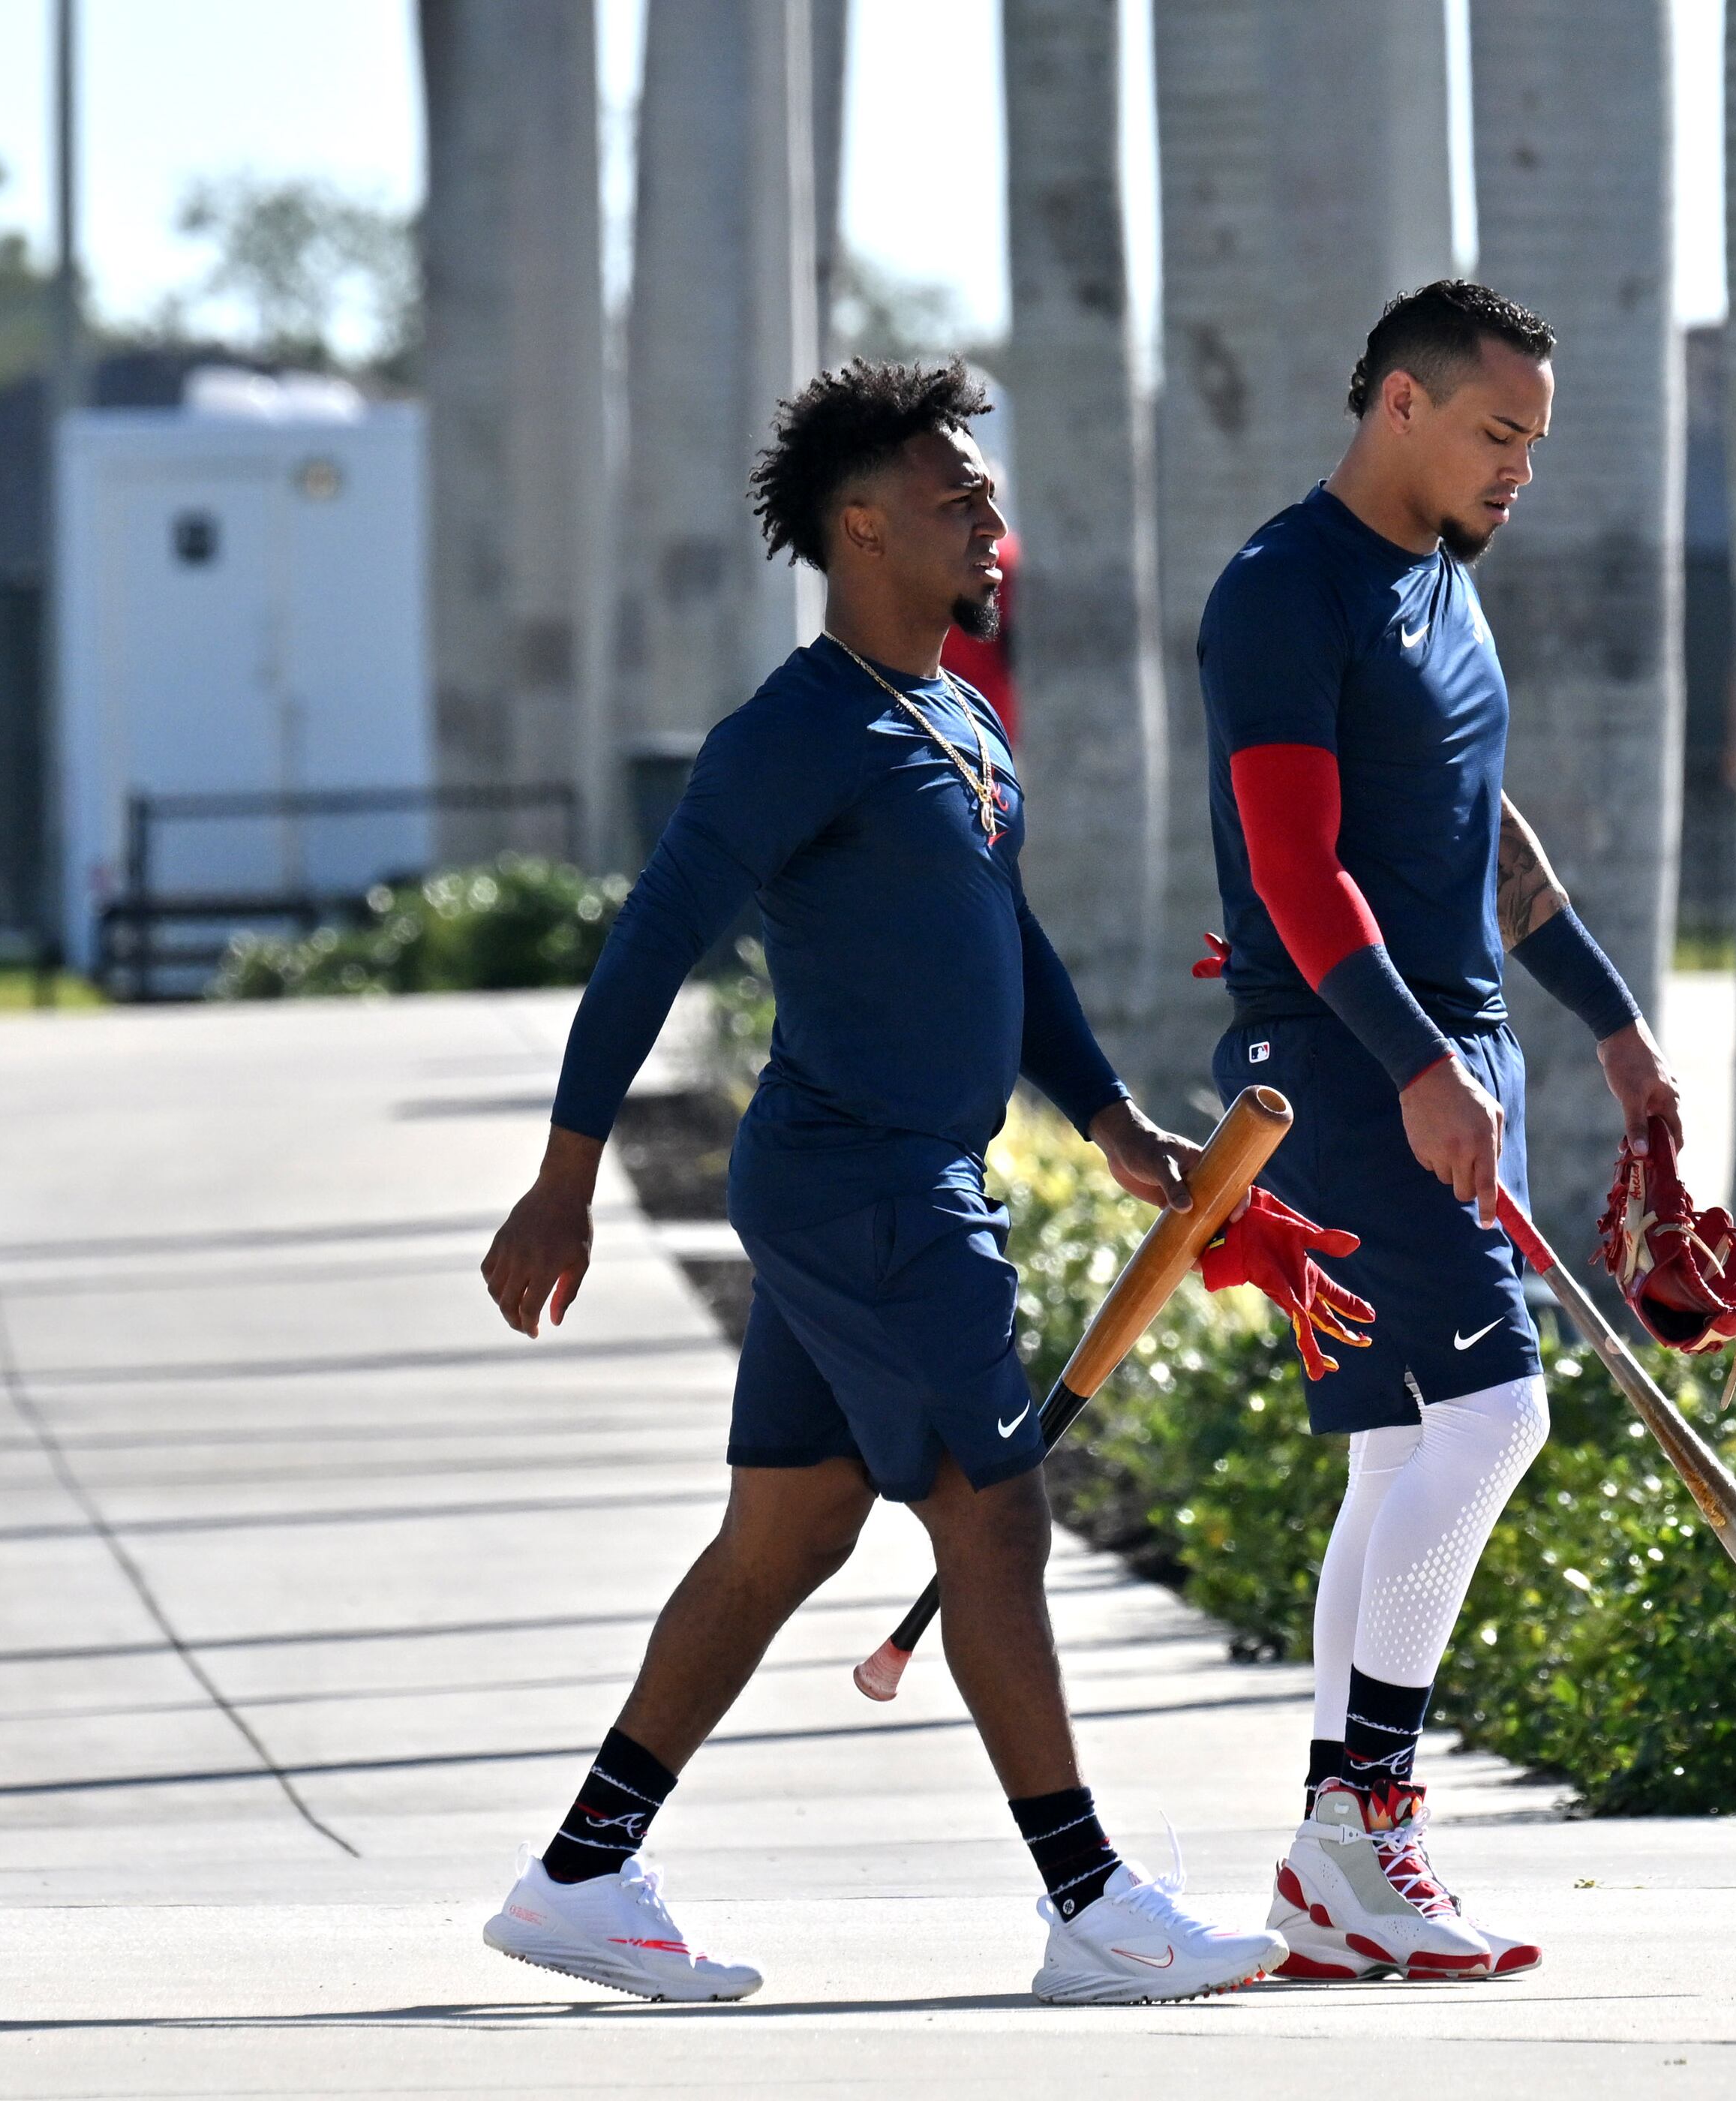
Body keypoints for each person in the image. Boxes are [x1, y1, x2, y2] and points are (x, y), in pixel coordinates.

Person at [474, 357, 1290, 2008]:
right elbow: (650, 942)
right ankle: (1090, 1902)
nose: (992, 514)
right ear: (862, 526)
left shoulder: (956, 711)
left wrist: (1114, 1118)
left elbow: (1008, 942)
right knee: (994, 1518)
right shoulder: (798, 730)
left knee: (786, 1532)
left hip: (887, 1180)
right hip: (875, 1190)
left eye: (985, 490)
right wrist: (563, 1175)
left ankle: (580, 1869)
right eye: (955, 494)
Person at [1194, 281, 1686, 1980]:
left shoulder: (1445, 590)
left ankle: (1340, 1865)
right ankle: (1359, 1830)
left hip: (1453, 1058)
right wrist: (1413, 1060)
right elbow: (1294, 865)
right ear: (1399, 401)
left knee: (1408, 1450)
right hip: (1345, 1061)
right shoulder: (1283, 592)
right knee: (1496, 1418)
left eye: (1536, 444)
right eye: (1499, 434)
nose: (1520, 470)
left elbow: (1486, 833)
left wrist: (1614, 1026)